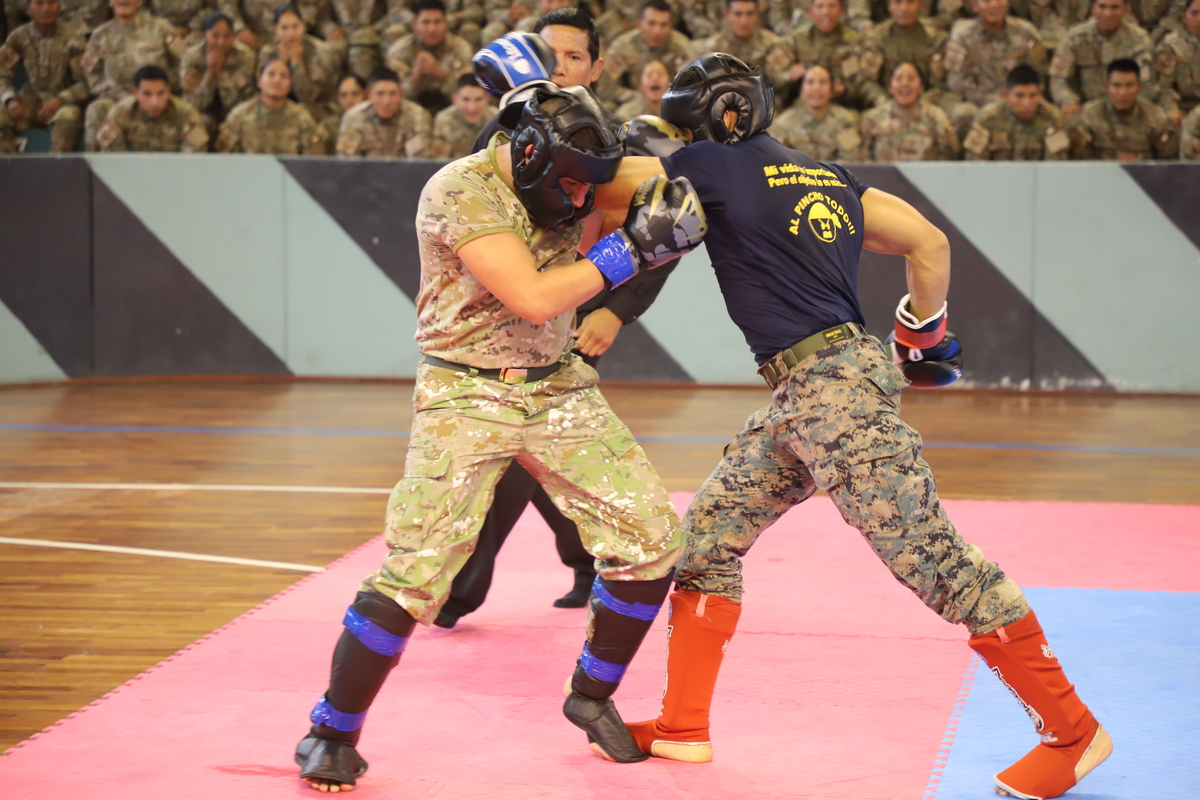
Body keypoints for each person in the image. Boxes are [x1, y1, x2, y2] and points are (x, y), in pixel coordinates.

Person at [593, 51, 1112, 800]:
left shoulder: (708, 163)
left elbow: (610, 183)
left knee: (935, 562)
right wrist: (922, 335)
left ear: (721, 118)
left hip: (833, 397)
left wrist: (530, 147)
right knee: (706, 538)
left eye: (685, 122)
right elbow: (928, 242)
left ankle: (1072, 732)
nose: (680, 136)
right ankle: (682, 727)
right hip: (812, 389)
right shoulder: (825, 175)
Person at [293, 79, 707, 792]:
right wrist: (634, 250)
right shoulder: (461, 192)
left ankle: (591, 693)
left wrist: (679, 190)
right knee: (420, 570)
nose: (582, 203)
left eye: (591, 188)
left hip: (556, 384)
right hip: (467, 388)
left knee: (651, 541)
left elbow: (658, 180)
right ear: (528, 155)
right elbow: (535, 295)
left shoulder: (572, 174)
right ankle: (331, 729)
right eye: (572, 186)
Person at [442, 28, 681, 626]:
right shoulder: (504, 138)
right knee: (536, 455)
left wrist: (616, 312)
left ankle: (460, 590)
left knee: (533, 452)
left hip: (574, 311)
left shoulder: (616, 141)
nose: (562, 68)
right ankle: (580, 561)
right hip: (509, 314)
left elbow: (666, 228)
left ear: (595, 66)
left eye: (573, 58)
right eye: (553, 59)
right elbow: (485, 186)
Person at [82, 0, 183, 150]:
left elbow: (184, 63)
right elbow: (92, 76)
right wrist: (119, 95)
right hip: (115, 101)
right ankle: (99, 169)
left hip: (156, 100)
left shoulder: (162, 28)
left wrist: (161, 92)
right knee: (96, 109)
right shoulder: (100, 36)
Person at [0, 0, 88, 153]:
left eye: (51, 3)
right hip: (27, 102)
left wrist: (61, 99)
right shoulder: (18, 37)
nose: (46, 8)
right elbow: (2, 76)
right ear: (28, 9)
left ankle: (56, 169)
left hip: (60, 103)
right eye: (39, 3)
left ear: (59, 8)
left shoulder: (74, 39)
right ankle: (9, 167)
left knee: (69, 116)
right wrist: (10, 100)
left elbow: (86, 83)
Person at [1049, 0, 1153, 121]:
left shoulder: (1139, 40)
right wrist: (1068, 101)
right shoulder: (1074, 39)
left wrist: (1133, 106)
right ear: (1093, 8)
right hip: (1083, 111)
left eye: (1115, 7)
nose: (1108, 13)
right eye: (1102, 7)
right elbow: (1058, 78)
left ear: (1126, 10)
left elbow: (1147, 83)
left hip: (1127, 110)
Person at [943, 0, 1048, 111]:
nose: (994, 5)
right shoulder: (962, 35)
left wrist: (1022, 98)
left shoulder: (1026, 31)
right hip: (978, 104)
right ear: (975, 6)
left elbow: (1040, 73)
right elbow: (956, 81)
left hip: (1021, 103)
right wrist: (995, 101)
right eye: (987, 1)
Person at [1070, 56, 1178, 157]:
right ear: (1106, 87)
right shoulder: (1089, 116)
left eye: (1129, 85)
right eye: (1116, 85)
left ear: (1140, 87)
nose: (1123, 92)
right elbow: (1077, 160)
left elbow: (1167, 163)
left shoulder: (1156, 117)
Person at [257, 3, 338, 131]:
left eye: (295, 27)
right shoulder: (268, 52)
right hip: (278, 107)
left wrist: (296, 64)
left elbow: (308, 97)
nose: (291, 34)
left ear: (304, 27)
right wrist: (281, 64)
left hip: (316, 109)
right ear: (276, 31)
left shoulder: (321, 51)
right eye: (284, 28)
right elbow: (266, 92)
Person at [216, 55, 324, 151]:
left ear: (290, 86)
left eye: (283, 76)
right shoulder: (240, 115)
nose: (277, 80)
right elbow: (223, 159)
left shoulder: (302, 118)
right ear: (260, 81)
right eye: (271, 74)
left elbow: (314, 163)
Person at [962, 63, 1070, 159]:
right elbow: (975, 165)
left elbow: (1055, 166)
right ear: (1006, 96)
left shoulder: (1052, 118)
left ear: (1040, 95)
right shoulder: (987, 119)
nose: (1027, 104)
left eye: (1033, 96)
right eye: (1019, 96)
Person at [692, 0, 794, 99]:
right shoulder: (712, 49)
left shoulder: (772, 43)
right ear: (726, 15)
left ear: (757, 15)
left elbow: (780, 81)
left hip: (765, 104)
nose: (744, 21)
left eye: (750, 14)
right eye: (738, 14)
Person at [180, 11, 257, 140]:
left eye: (227, 36)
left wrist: (221, 74)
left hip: (235, 113)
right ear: (204, 36)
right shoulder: (193, 57)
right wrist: (210, 74)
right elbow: (193, 104)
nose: (221, 42)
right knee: (197, 124)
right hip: (204, 112)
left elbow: (241, 102)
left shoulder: (244, 56)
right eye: (215, 36)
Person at [384, 0, 472, 113]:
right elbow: (393, 99)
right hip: (412, 111)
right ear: (415, 25)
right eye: (425, 22)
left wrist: (440, 75)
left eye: (437, 22)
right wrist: (416, 77)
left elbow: (469, 96)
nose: (432, 29)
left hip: (452, 109)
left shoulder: (460, 48)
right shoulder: (400, 51)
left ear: (446, 24)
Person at [861, 60, 961, 159]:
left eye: (911, 79)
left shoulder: (936, 116)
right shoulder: (873, 118)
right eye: (898, 79)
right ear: (890, 87)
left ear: (921, 87)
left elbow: (950, 157)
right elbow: (862, 160)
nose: (905, 83)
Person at [95, 62, 208, 148]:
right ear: (135, 94)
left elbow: (193, 162)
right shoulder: (120, 113)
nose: (155, 102)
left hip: (175, 173)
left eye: (160, 93)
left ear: (168, 91)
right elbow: (112, 160)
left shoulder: (187, 114)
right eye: (147, 94)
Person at [782, 0, 865, 110]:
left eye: (832, 6)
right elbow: (777, 77)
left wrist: (844, 91)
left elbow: (860, 82)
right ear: (810, 11)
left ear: (841, 11)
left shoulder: (854, 42)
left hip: (842, 105)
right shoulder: (796, 40)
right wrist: (789, 75)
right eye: (820, 6)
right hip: (803, 105)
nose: (826, 12)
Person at [769, 63, 863, 159]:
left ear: (831, 91)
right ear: (801, 91)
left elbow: (851, 161)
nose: (816, 88)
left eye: (823, 82)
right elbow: (777, 162)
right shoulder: (784, 124)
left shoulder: (846, 122)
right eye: (810, 82)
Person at [602, 0, 692, 99]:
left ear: (671, 27)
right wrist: (640, 98)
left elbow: (692, 87)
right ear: (640, 24)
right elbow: (605, 89)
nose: (657, 31)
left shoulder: (681, 47)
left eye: (663, 25)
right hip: (632, 104)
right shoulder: (623, 47)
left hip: (671, 100)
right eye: (651, 23)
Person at [336, 65, 432, 157]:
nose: (386, 101)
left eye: (392, 93)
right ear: (369, 94)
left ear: (400, 93)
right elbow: (347, 163)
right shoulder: (354, 118)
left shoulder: (417, 116)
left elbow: (421, 162)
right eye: (380, 94)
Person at [1152, 0, 1200, 128]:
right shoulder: (1170, 46)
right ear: (1184, 17)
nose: (1199, 19)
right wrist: (1172, 110)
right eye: (1194, 13)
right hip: (1183, 106)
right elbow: (1164, 89)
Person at [429, 71, 495, 158]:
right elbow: (438, 162)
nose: (472, 108)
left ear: (487, 98)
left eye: (478, 99)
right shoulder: (444, 120)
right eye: (466, 99)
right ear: (455, 99)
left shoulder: (496, 119)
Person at [317, 71, 364, 149]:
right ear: (338, 98)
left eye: (355, 94)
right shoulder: (328, 126)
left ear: (365, 94)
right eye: (343, 95)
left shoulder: (376, 124)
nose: (349, 100)